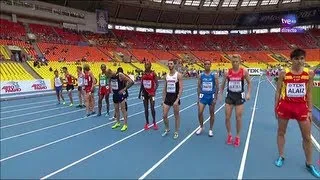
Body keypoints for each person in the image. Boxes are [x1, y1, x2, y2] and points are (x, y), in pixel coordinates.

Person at [274, 48, 320, 178]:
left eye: (302, 58)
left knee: (307, 137)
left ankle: (309, 164)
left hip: (301, 107)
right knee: (281, 132)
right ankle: (281, 156)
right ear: (291, 60)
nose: (299, 61)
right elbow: (277, 91)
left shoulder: (309, 73)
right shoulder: (284, 73)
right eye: (296, 59)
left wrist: (310, 110)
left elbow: (309, 92)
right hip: (285, 106)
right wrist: (275, 107)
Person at [219, 55, 251, 147]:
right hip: (229, 96)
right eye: (233, 62)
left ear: (239, 62)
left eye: (237, 61)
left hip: (239, 97)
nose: (235, 63)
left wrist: (248, 93)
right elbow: (222, 85)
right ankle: (229, 134)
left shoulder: (244, 72)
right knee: (227, 117)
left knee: (238, 118)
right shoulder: (227, 72)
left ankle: (237, 136)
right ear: (231, 62)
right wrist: (220, 95)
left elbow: (249, 83)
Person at [196, 60, 219, 137]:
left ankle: (210, 129)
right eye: (205, 64)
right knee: (200, 112)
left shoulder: (214, 75)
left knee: (211, 113)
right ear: (204, 65)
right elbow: (199, 87)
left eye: (208, 64)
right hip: (203, 96)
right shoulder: (201, 75)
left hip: (211, 96)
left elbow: (217, 87)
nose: (207, 65)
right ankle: (201, 127)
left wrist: (215, 97)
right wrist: (198, 98)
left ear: (210, 65)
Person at [161, 59, 183, 139]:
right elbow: (164, 88)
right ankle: (167, 129)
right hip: (168, 98)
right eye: (168, 64)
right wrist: (163, 100)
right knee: (164, 115)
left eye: (171, 64)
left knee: (176, 116)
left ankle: (176, 131)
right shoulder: (166, 76)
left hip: (175, 98)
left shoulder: (178, 75)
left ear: (174, 65)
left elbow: (181, 88)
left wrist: (177, 100)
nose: (169, 65)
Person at [138, 61, 159, 130]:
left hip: (151, 93)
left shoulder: (153, 73)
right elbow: (142, 84)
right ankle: (147, 123)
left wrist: (153, 91)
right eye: (145, 64)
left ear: (150, 65)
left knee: (152, 108)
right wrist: (139, 93)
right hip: (144, 93)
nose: (146, 65)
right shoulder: (143, 73)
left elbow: (157, 84)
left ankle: (154, 122)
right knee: (146, 109)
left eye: (147, 64)